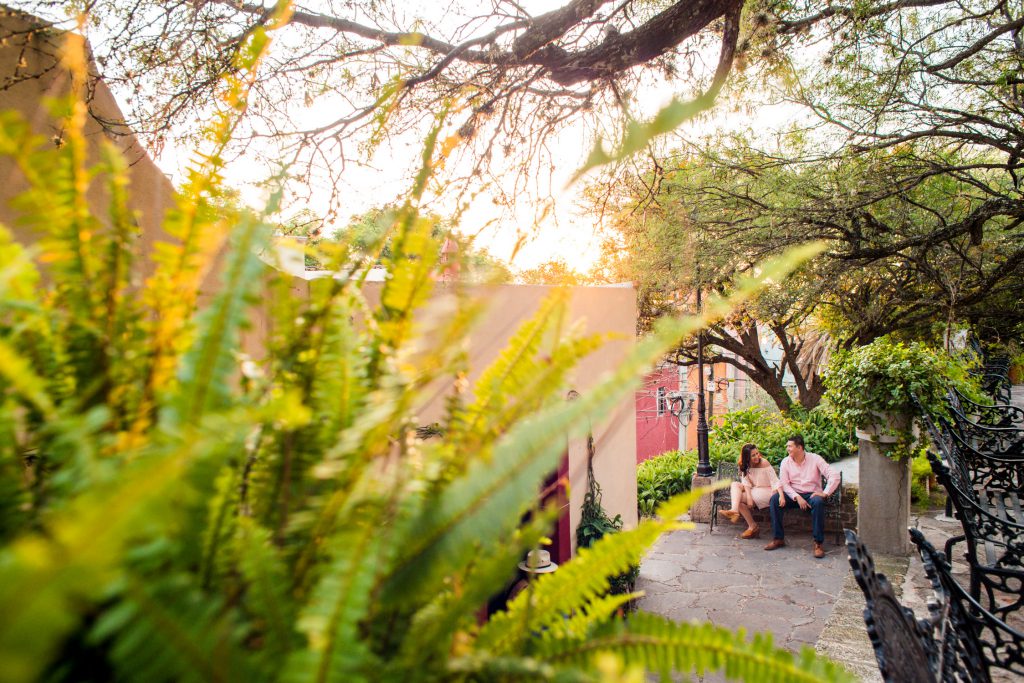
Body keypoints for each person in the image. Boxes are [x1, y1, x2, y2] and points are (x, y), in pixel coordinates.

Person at [763, 434, 839, 558]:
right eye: (787, 446)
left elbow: (834, 475)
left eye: (790, 446)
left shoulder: (815, 459)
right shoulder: (786, 462)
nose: (787, 448)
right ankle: (778, 538)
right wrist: (797, 497)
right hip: (793, 494)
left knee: (819, 502)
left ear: (800, 447)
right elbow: (784, 484)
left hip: (812, 494)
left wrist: (825, 493)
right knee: (774, 500)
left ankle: (818, 543)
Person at [721, 443, 782, 539]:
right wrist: (749, 497)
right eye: (753, 455)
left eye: (757, 453)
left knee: (738, 498)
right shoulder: (745, 465)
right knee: (735, 485)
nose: (757, 456)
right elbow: (746, 482)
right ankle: (736, 511)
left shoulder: (764, 463)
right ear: (747, 457)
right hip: (755, 489)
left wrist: (780, 495)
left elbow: (775, 481)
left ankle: (751, 525)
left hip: (768, 491)